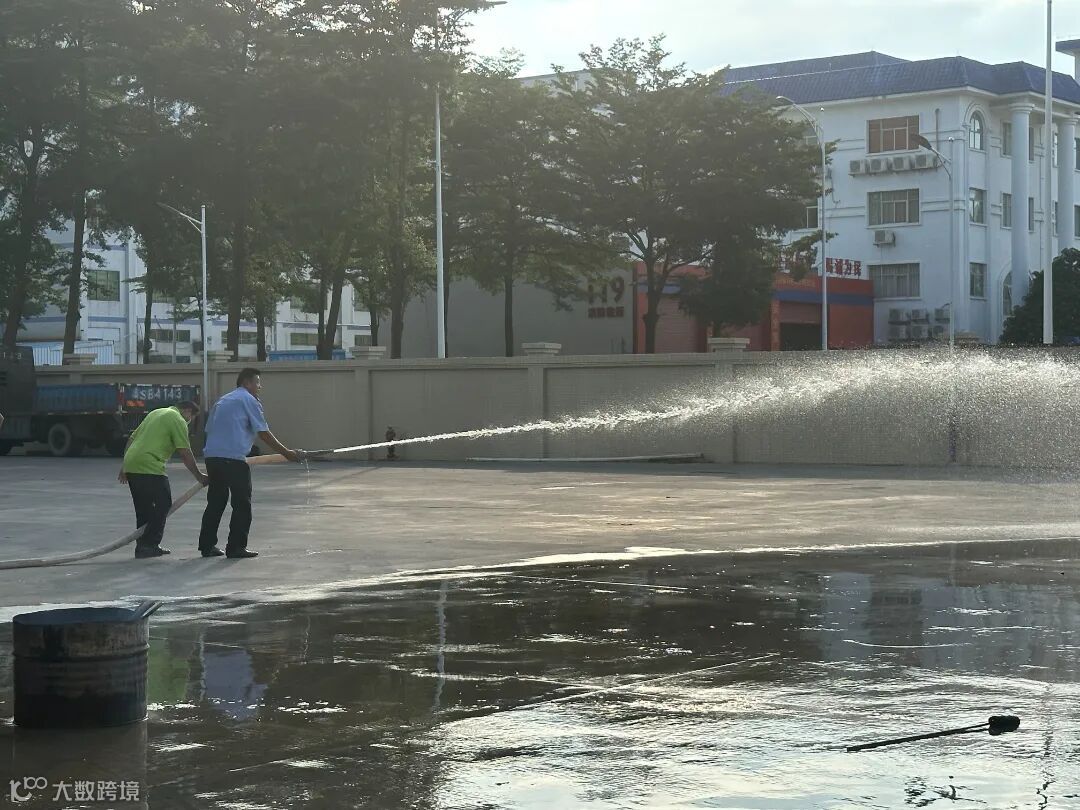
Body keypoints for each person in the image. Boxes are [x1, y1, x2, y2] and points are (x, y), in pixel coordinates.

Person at [198, 367, 302, 559]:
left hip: (212, 457)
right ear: (246, 383)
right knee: (242, 503)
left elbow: (209, 429)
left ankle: (207, 545)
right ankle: (236, 547)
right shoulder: (248, 399)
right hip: (233, 459)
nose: (259, 387)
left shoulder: (222, 400)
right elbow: (263, 432)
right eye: (257, 382)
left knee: (216, 502)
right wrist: (287, 453)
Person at [118, 400, 208, 559]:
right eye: (192, 417)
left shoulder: (156, 412)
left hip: (132, 463)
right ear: (187, 411)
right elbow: (185, 452)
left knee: (143, 508)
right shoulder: (178, 419)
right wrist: (199, 476)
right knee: (163, 503)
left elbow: (132, 438)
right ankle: (150, 544)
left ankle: (143, 546)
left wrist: (125, 465)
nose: (190, 421)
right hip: (149, 465)